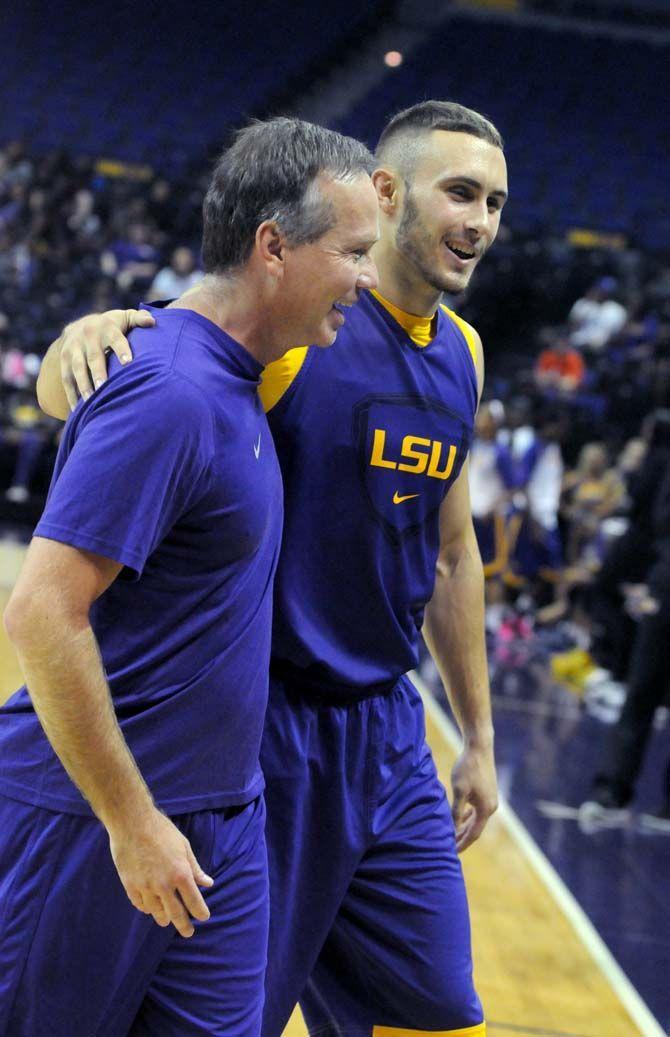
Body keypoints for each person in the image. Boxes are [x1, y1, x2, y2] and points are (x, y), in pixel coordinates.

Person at [37, 100, 506, 1036]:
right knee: (237, 1010)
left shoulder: (465, 352)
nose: (481, 221)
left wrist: (481, 737)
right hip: (272, 725)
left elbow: (453, 556)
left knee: (439, 1009)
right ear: (386, 193)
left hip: (390, 727)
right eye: (460, 192)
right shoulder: (310, 321)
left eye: (496, 201)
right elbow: (144, 381)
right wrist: (71, 349)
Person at [0, 118, 379, 1037]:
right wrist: (131, 820)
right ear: (273, 247)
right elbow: (44, 612)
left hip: (218, 821)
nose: (368, 279)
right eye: (355, 252)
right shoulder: (169, 388)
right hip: (93, 819)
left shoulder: (243, 375)